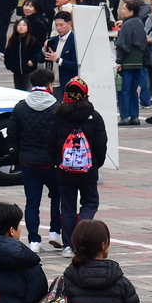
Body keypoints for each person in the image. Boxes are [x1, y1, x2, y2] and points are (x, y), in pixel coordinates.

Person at [46, 78, 108, 256]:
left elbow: (50, 143)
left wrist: (57, 162)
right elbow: (100, 144)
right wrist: (96, 164)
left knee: (67, 207)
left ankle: (68, 245)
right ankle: (83, 231)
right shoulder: (94, 116)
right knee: (90, 202)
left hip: (64, 171)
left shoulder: (58, 115)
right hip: (88, 170)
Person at [9, 68, 64, 253]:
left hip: (29, 162)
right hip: (51, 163)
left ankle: (34, 240)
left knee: (32, 201)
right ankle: (55, 232)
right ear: (50, 85)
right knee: (57, 196)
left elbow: (12, 133)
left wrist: (22, 150)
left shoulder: (21, 106)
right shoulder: (57, 108)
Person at [115, 0, 147, 126]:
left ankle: (124, 116)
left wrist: (118, 61)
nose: (122, 11)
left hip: (127, 61)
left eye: (124, 9)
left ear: (131, 11)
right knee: (134, 89)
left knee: (124, 89)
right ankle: (135, 116)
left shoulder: (127, 25)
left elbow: (122, 44)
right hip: (138, 60)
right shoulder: (139, 22)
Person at [4, 17, 42, 91]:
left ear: (28, 28)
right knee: (18, 91)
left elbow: (39, 52)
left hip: (29, 71)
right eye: (19, 25)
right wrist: (10, 65)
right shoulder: (13, 41)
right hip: (17, 72)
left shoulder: (32, 41)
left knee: (27, 91)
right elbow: (7, 54)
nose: (21, 27)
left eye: (24, 25)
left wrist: (33, 61)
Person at [44, 9, 78, 89]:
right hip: (51, 84)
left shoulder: (75, 41)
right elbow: (40, 59)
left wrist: (58, 60)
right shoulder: (53, 40)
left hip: (66, 84)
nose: (58, 28)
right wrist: (44, 49)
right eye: (56, 25)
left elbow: (75, 65)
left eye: (61, 25)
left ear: (69, 24)